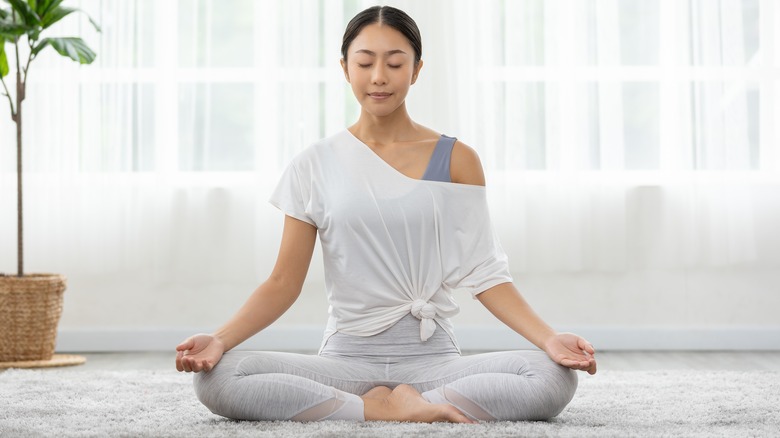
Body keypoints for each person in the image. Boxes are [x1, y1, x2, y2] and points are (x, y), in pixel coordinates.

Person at [175, 5, 597, 424]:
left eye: (395, 63)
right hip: (346, 363)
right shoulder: (314, 164)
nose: (379, 76)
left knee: (550, 376)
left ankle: (389, 405)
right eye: (365, 62)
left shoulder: (455, 159)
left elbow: (486, 273)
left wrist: (548, 338)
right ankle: (378, 407)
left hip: (433, 364)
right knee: (221, 377)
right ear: (345, 68)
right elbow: (283, 282)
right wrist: (219, 339)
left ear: (416, 70)